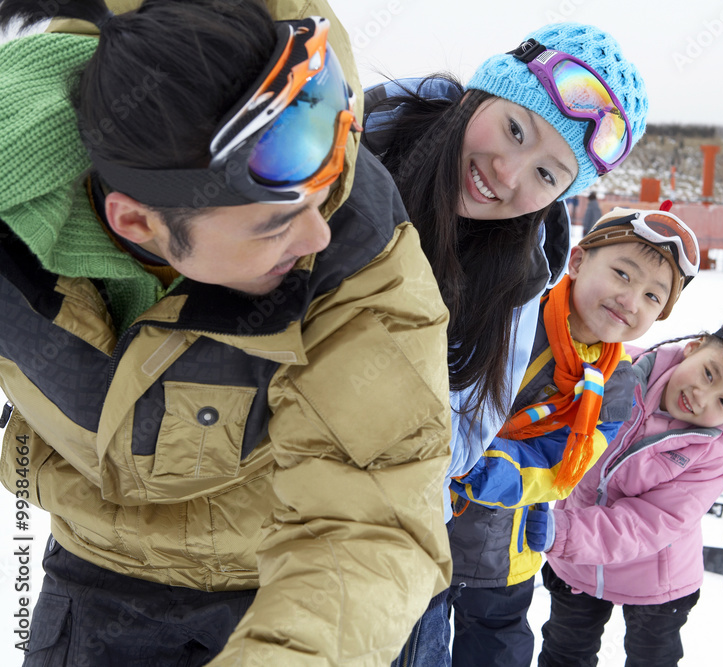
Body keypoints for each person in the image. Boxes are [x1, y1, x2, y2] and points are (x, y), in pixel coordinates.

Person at [0, 1, 452, 665]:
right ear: (137, 224)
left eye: (319, 196)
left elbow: (373, 515)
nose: (316, 235)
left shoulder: (355, 246)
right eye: (273, 225)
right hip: (98, 565)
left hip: (286, 566)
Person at [361, 23, 649, 666]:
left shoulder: (517, 274)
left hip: (394, 551)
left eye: (547, 173)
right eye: (515, 129)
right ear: (482, 95)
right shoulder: (346, 159)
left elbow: (464, 431)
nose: (507, 173)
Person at [447, 207, 701, 666]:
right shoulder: (511, 307)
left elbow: (563, 466)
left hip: (502, 554)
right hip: (420, 521)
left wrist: (475, 465)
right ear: (578, 261)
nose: (630, 299)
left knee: (495, 650)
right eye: (622, 273)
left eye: (651, 296)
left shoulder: (616, 388)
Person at [532, 319, 723, 667]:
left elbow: (650, 522)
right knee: (565, 653)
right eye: (709, 374)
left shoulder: (715, 454)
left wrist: (560, 532)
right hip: (576, 565)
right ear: (693, 348)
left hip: (656, 583)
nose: (701, 396)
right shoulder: (620, 371)